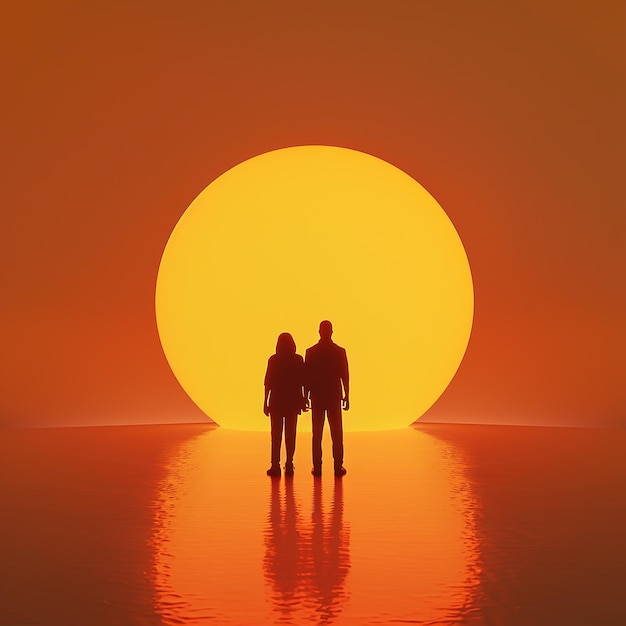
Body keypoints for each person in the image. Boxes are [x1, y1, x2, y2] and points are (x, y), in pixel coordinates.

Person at [305, 320, 350, 477]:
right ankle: (338, 466)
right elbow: (345, 375)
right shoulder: (339, 351)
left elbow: (307, 377)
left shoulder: (311, 352)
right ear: (331, 332)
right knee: (337, 433)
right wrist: (347, 395)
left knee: (316, 433)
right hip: (333, 395)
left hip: (317, 396)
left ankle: (317, 467)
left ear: (319, 332)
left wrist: (305, 396)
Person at [264, 333, 306, 477]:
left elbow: (268, 382)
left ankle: (275, 465)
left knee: (275, 435)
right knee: (290, 434)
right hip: (292, 401)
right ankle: (289, 463)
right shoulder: (298, 359)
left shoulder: (273, 360)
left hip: (276, 400)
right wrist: (303, 399)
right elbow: (302, 382)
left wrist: (265, 401)